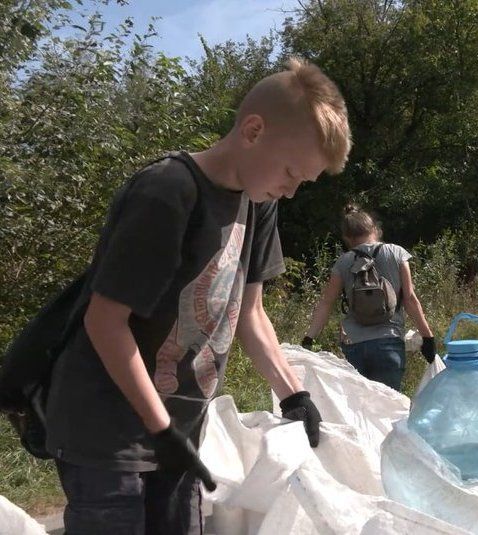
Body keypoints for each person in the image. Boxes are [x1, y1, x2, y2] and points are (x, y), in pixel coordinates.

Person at [43, 57, 351, 534]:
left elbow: (251, 314)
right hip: (106, 430)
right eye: (291, 172)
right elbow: (104, 322)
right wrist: (159, 427)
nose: (291, 191)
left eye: (302, 183)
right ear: (252, 131)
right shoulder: (168, 193)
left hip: (179, 430)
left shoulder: (259, 203)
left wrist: (294, 395)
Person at [301, 204, 435, 391]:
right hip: (389, 342)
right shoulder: (396, 253)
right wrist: (428, 337)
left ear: (347, 237)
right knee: (390, 409)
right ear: (375, 229)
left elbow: (326, 302)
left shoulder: (343, 262)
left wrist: (309, 338)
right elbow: (410, 299)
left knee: (361, 410)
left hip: (354, 345)